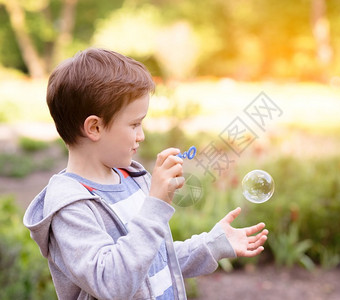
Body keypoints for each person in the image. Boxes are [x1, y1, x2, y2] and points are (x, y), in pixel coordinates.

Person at [23, 48, 268, 300]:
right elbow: (113, 283)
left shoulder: (131, 180)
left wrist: (213, 244)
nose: (141, 135)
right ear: (94, 127)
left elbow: (151, 262)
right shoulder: (70, 208)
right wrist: (156, 204)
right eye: (134, 124)